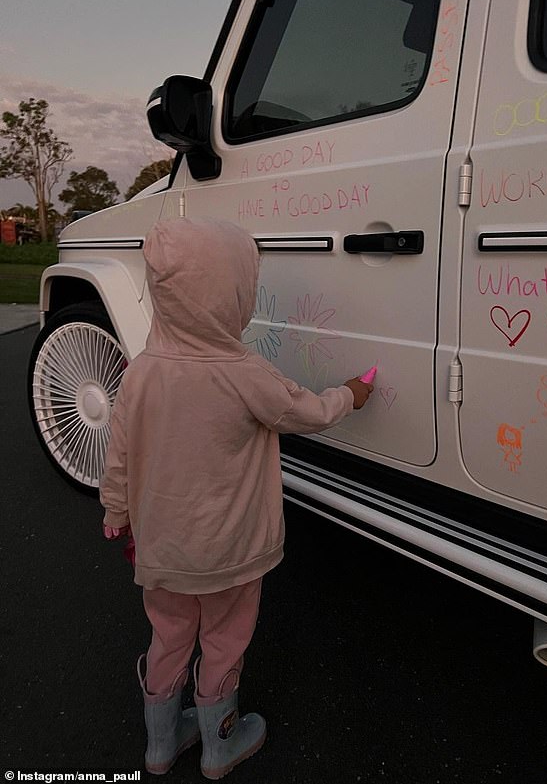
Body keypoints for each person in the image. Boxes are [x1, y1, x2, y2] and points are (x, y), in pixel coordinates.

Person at [99, 217, 373, 779]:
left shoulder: (143, 370)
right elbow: (308, 413)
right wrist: (352, 393)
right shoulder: (244, 371)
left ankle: (160, 744)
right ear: (234, 293)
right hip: (232, 552)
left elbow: (119, 454)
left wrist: (117, 513)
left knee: (169, 635)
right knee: (224, 640)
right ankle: (220, 743)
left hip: (165, 551)